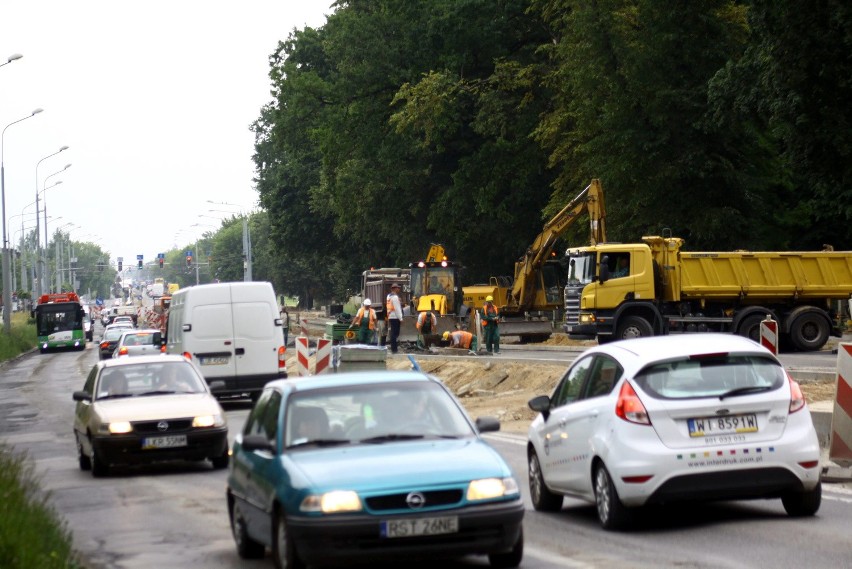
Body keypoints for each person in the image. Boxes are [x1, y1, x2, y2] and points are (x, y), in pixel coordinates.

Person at [386, 283, 404, 354]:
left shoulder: (389, 296)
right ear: (394, 288)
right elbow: (397, 308)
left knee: (393, 333)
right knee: (395, 333)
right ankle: (394, 349)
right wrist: (401, 318)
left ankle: (393, 348)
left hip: (390, 316)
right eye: (398, 288)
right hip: (395, 316)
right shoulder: (395, 297)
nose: (399, 289)